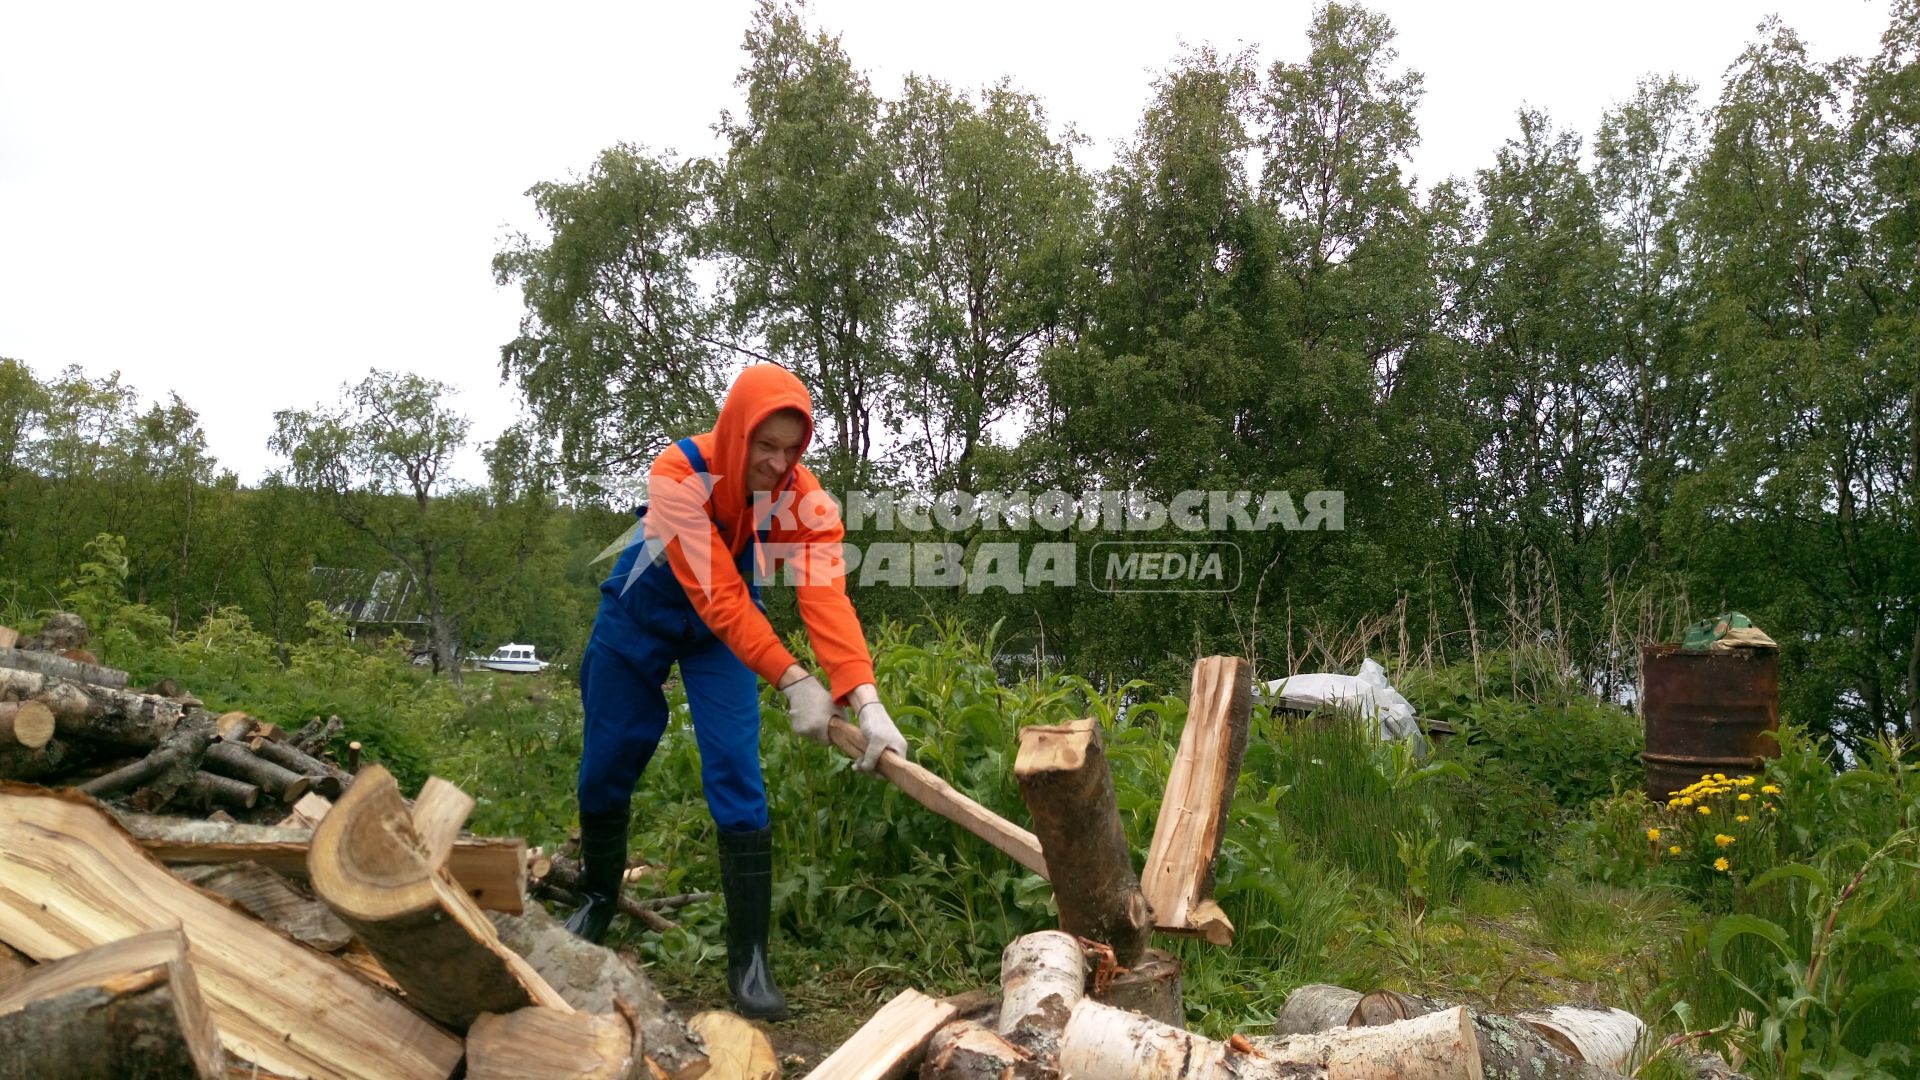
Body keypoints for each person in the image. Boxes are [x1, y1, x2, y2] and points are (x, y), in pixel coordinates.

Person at [569, 363, 908, 1021]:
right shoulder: (677, 473)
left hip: (722, 633)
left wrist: (865, 700)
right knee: (609, 758)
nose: (778, 463)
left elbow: (824, 596)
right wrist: (793, 677)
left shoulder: (804, 499)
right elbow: (717, 591)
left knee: (735, 766)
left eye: (791, 449)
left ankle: (749, 960)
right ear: (736, 432)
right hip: (643, 607)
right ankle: (597, 901)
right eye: (765, 445)